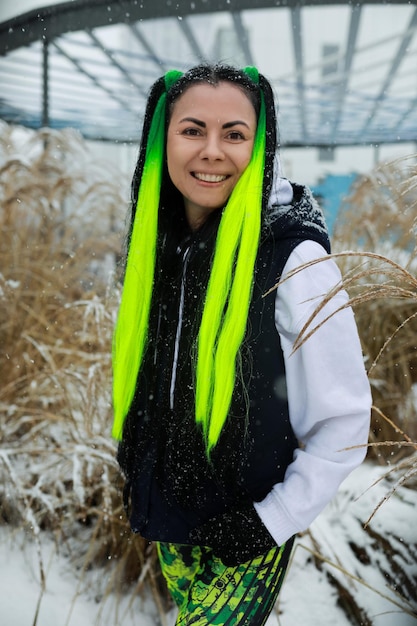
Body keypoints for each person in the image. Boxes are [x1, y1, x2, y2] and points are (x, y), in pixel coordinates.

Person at [111, 64, 371, 625]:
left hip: (248, 531)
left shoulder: (292, 257)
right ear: (163, 138)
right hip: (170, 519)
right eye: (192, 129)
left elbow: (345, 422)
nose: (212, 151)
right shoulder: (158, 242)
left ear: (260, 145)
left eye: (234, 133)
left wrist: (271, 519)